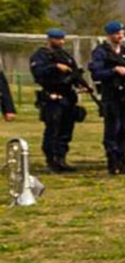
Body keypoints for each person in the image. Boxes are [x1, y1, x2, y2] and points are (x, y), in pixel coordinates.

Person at [29, 27, 88, 173]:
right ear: (50, 39)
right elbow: (38, 72)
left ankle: (61, 158)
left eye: (62, 39)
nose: (61, 42)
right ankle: (51, 160)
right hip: (52, 97)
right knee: (52, 129)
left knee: (66, 130)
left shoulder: (65, 55)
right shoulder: (41, 55)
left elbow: (73, 72)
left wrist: (80, 84)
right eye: (58, 39)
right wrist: (54, 66)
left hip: (68, 97)